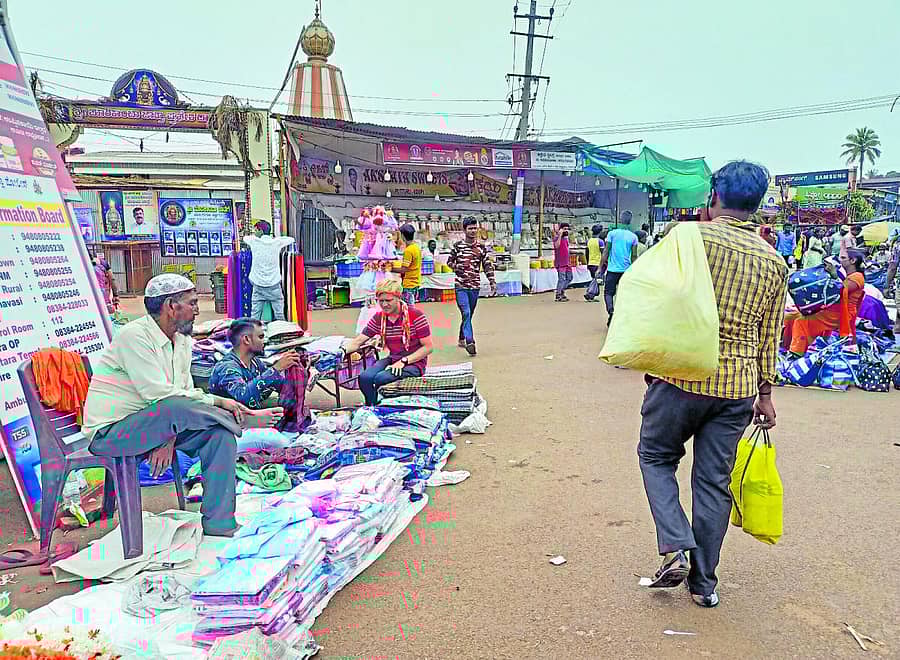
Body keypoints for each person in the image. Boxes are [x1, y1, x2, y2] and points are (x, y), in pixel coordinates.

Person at [637, 161, 787, 608]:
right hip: (737, 386)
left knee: (655, 455)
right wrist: (765, 394)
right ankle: (704, 584)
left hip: (680, 375)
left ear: (714, 197)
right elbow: (770, 333)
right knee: (713, 483)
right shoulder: (774, 261)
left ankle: (675, 542)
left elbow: (653, 298)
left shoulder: (686, 240)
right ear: (757, 206)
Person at [82, 274, 250, 538]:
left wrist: (168, 439)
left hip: (158, 424)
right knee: (176, 407)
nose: (197, 310)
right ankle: (231, 417)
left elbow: (183, 391)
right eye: (192, 303)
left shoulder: (182, 340)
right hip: (113, 433)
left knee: (220, 437)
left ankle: (220, 524)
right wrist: (218, 402)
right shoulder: (134, 337)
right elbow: (158, 395)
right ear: (171, 306)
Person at [342, 279, 434, 405]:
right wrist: (339, 353)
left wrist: (404, 361)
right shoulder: (379, 318)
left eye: (388, 300)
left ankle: (381, 405)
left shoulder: (415, 315)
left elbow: (428, 347)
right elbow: (358, 341)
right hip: (393, 359)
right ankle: (371, 406)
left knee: (381, 378)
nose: (384, 305)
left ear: (398, 297)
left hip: (414, 363)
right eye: (381, 301)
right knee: (365, 377)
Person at [209, 318, 310, 431]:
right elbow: (243, 396)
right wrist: (276, 369)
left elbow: (282, 386)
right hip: (229, 426)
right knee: (280, 441)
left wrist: (298, 370)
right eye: (261, 337)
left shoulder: (255, 363)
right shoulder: (227, 367)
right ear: (246, 340)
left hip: (250, 419)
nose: (265, 341)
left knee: (296, 414)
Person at [788, 250, 866, 355]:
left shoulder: (857, 277)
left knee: (801, 321)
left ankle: (796, 353)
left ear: (852, 261)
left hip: (841, 314)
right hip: (835, 310)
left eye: (843, 258)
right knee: (791, 316)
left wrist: (834, 275)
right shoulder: (851, 275)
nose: (840, 260)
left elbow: (842, 290)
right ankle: (792, 347)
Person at [447, 216, 496, 356]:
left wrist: (492, 281)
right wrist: (457, 267)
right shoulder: (457, 247)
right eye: (470, 228)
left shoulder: (481, 248)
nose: (473, 231)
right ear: (464, 230)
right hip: (460, 286)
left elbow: (487, 266)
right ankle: (470, 341)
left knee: (469, 314)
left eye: (475, 228)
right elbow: (449, 262)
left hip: (475, 286)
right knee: (466, 313)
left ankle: (462, 337)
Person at [243, 220, 294, 322]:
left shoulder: (254, 241)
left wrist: (256, 237)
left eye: (256, 230)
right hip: (274, 285)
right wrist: (278, 239)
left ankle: (253, 335)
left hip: (258, 285)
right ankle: (282, 333)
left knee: (255, 315)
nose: (255, 232)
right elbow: (291, 239)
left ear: (261, 231)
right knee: (279, 314)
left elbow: (245, 238)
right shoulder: (276, 242)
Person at [599, 212, 639, 327]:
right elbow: (634, 256)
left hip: (612, 270)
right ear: (630, 221)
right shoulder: (633, 237)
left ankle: (611, 311)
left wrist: (600, 267)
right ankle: (622, 317)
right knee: (624, 294)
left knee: (608, 293)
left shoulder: (612, 234)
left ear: (620, 219)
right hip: (626, 271)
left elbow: (606, 252)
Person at [394, 224, 422, 306]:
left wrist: (390, 268)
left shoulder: (408, 251)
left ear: (402, 236)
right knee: (410, 308)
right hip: (415, 283)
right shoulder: (416, 247)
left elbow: (404, 269)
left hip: (408, 284)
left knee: (408, 309)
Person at [584, 225, 605, 302]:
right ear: (600, 232)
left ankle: (592, 294)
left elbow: (586, 253)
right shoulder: (600, 242)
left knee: (595, 279)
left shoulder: (588, 241)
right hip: (598, 263)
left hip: (590, 263)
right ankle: (590, 293)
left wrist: (587, 263)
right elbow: (603, 253)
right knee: (596, 280)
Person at [553, 222, 573, 302]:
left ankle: (561, 291)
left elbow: (567, 249)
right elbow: (557, 246)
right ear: (560, 229)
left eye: (567, 229)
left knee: (569, 278)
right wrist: (560, 235)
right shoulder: (557, 237)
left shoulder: (566, 239)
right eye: (564, 229)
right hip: (560, 262)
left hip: (567, 262)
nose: (566, 231)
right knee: (561, 279)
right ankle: (558, 295)